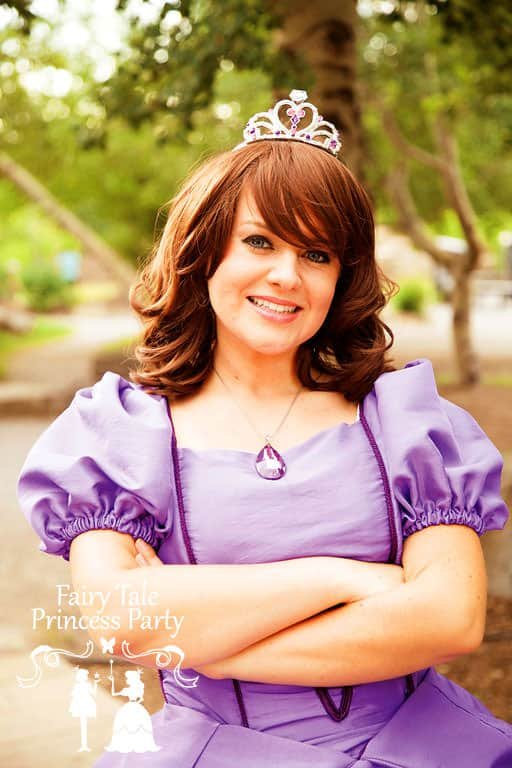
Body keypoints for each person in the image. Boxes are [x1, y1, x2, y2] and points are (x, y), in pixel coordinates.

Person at [17, 90, 512, 767]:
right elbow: (120, 619)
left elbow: (450, 619)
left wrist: (203, 640)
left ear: (343, 276)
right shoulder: (124, 431)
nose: (286, 276)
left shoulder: (403, 419)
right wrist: (344, 578)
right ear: (206, 251)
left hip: (423, 749)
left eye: (317, 254)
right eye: (259, 241)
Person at [105, 667, 160, 754]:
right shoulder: (127, 689)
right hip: (132, 706)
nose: (127, 680)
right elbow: (114, 693)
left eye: (128, 678)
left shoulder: (137, 687)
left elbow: (141, 698)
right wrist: (112, 682)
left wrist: (136, 704)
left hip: (135, 707)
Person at [69, 666, 99, 752]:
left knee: (84, 724)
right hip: (81, 703)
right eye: (85, 675)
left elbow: (94, 693)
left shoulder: (87, 685)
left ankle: (84, 745)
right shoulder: (78, 686)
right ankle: (83, 745)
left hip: (86, 703)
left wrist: (96, 683)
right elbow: (73, 694)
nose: (86, 677)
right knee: (83, 724)